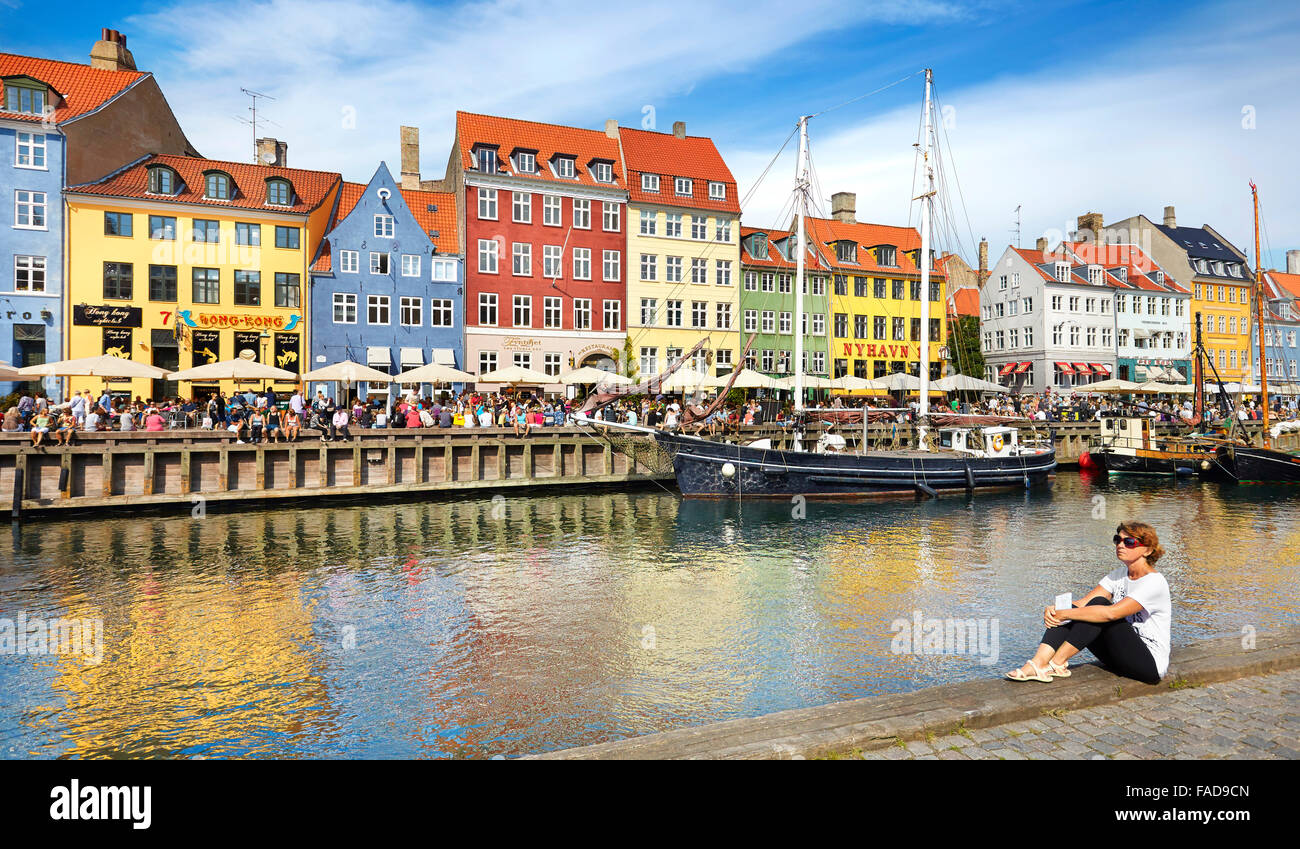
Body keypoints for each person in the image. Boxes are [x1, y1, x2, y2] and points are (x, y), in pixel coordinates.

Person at [1006, 522, 1170, 686]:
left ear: (1148, 550)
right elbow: (1082, 603)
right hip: (1119, 657)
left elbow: (1112, 613)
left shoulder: (1154, 582)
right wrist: (1056, 610)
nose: (1120, 545)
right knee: (1078, 608)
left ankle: (1056, 662)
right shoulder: (1119, 575)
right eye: (1117, 540)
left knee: (1100, 606)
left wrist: (1066, 613)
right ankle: (1038, 662)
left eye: (1129, 542)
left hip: (1149, 665)